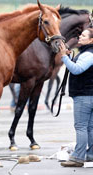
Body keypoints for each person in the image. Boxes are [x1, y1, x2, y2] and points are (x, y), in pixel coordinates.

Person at [58, 28, 93, 167]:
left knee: (81, 127)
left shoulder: (88, 54)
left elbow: (76, 69)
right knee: (90, 127)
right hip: (89, 95)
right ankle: (90, 155)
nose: (80, 37)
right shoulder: (87, 53)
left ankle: (78, 157)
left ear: (91, 40)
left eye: (83, 35)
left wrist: (64, 57)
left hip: (84, 96)